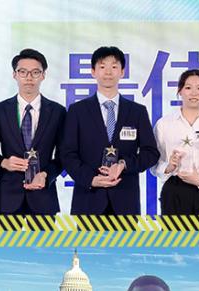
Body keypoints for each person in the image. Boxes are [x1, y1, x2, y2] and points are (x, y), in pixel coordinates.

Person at [60, 46, 160, 215]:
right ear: (93, 72)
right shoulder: (78, 111)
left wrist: (123, 164)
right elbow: (67, 154)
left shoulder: (137, 111)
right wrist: (91, 179)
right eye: (102, 66)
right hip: (88, 200)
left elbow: (150, 153)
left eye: (114, 67)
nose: (108, 72)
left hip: (125, 202)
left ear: (122, 72)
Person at [0, 48, 66, 215]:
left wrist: (46, 175)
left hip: (43, 196)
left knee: (42, 242)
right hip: (7, 197)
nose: (29, 78)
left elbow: (64, 156)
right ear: (14, 75)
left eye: (35, 72)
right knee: (6, 242)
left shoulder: (58, 112)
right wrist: (4, 163)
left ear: (43, 75)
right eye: (23, 72)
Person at [151, 69, 199, 215]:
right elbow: (154, 164)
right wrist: (169, 166)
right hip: (174, 190)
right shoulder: (164, 124)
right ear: (180, 91)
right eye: (188, 88)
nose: (193, 93)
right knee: (173, 238)